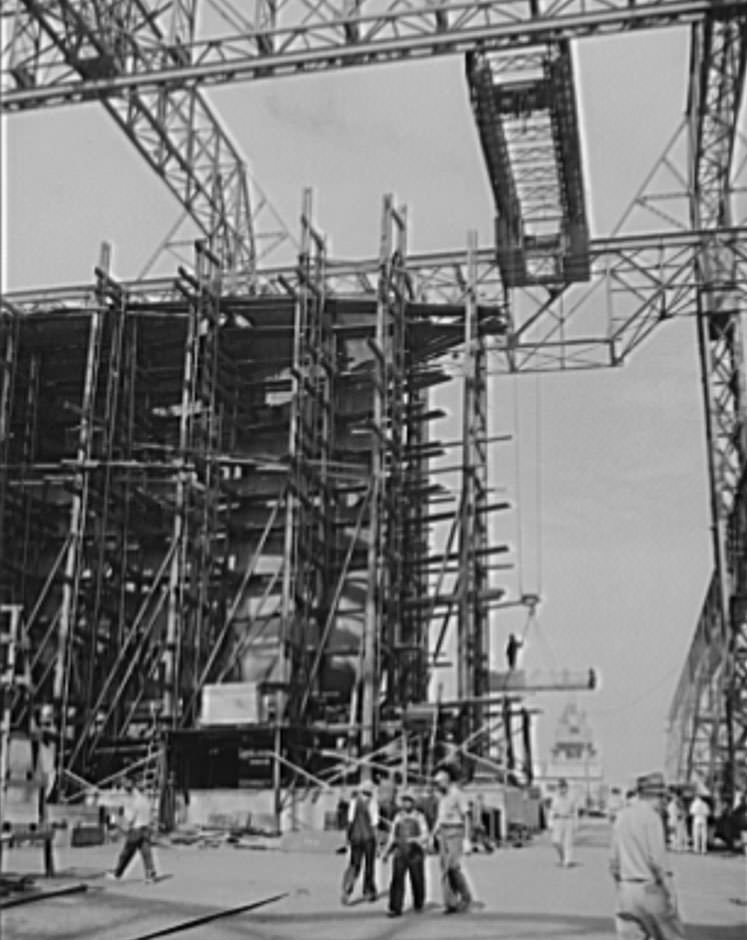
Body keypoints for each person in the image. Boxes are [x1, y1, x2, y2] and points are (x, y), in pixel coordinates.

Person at [609, 772, 685, 940]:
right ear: (657, 796)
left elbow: (614, 862)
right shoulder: (652, 818)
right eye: (663, 798)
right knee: (671, 935)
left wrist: (621, 885)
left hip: (626, 890)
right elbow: (657, 861)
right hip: (650, 888)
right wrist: (670, 892)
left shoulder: (621, 817)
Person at [381, 789, 429, 917]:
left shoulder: (419, 817)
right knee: (397, 880)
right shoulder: (398, 817)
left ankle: (418, 903)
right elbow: (392, 836)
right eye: (404, 800)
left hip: (415, 853)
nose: (406, 803)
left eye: (408, 801)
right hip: (400, 852)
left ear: (413, 803)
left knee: (417, 879)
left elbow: (425, 835)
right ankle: (395, 908)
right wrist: (386, 852)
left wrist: (415, 840)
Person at [432, 767, 472, 914]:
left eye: (438, 783)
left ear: (445, 781)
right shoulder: (442, 797)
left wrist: (467, 839)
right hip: (443, 832)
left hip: (455, 831)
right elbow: (440, 817)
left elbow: (466, 816)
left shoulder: (457, 794)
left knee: (453, 867)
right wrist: (433, 834)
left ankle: (466, 897)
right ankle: (450, 903)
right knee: (444, 869)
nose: (436, 786)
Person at [106, 777, 158, 883]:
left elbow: (129, 818)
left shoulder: (133, 800)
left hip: (136, 830)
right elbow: (150, 815)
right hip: (146, 828)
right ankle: (150, 873)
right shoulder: (144, 799)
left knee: (126, 853)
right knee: (146, 853)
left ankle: (117, 874)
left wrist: (114, 820)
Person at [341, 780, 378, 904]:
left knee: (354, 864)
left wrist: (348, 837)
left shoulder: (354, 801)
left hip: (356, 837)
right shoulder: (372, 802)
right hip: (368, 837)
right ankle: (368, 891)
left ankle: (347, 888)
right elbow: (375, 822)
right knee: (369, 865)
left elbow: (350, 820)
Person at [549, 778, 576, 867]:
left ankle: (567, 861)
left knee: (568, 842)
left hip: (568, 820)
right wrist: (550, 823)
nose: (562, 789)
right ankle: (562, 857)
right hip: (558, 820)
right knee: (556, 842)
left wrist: (576, 823)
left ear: (566, 787)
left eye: (563, 787)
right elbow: (552, 810)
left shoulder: (571, 797)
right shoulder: (555, 798)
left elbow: (575, 811)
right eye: (560, 787)